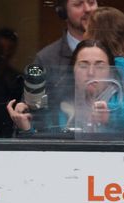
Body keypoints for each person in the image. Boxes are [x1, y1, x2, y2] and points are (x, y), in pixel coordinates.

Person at [7, 40, 124, 139]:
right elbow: (38, 154)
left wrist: (114, 114)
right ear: (73, 69)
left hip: (112, 186)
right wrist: (26, 129)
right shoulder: (55, 105)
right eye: (83, 65)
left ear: (111, 71)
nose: (91, 72)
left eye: (99, 65)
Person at [31, 0, 98, 131]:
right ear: (62, 12)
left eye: (91, 2)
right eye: (78, 4)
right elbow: (34, 114)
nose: (88, 9)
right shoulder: (45, 59)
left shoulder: (115, 52)